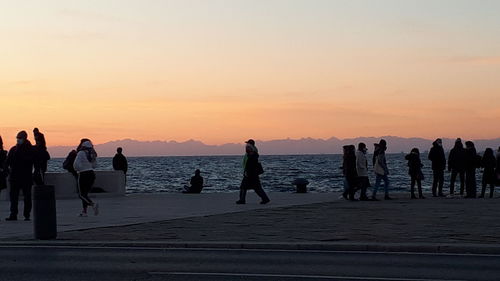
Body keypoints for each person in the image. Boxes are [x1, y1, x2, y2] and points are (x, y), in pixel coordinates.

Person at [5, 131, 35, 221]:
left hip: (26, 177)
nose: (18, 139)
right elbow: (7, 162)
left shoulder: (30, 149)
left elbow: (32, 161)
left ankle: (27, 214)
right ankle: (13, 214)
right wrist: (7, 170)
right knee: (13, 197)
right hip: (14, 177)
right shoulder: (13, 149)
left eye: (20, 138)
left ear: (24, 138)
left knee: (27, 196)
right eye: (17, 138)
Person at [236, 139, 270, 205]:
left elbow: (250, 165)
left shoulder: (252, 155)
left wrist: (247, 172)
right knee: (256, 187)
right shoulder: (251, 154)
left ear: (251, 146)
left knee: (244, 187)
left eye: (248, 145)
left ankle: (242, 200)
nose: (246, 146)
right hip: (252, 174)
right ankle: (265, 199)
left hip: (250, 174)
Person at [73, 139, 99, 216]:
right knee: (85, 194)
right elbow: (95, 165)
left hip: (83, 174)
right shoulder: (92, 154)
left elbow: (76, 165)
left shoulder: (81, 153)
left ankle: (93, 204)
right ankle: (84, 212)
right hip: (91, 174)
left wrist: (80, 169)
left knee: (81, 194)